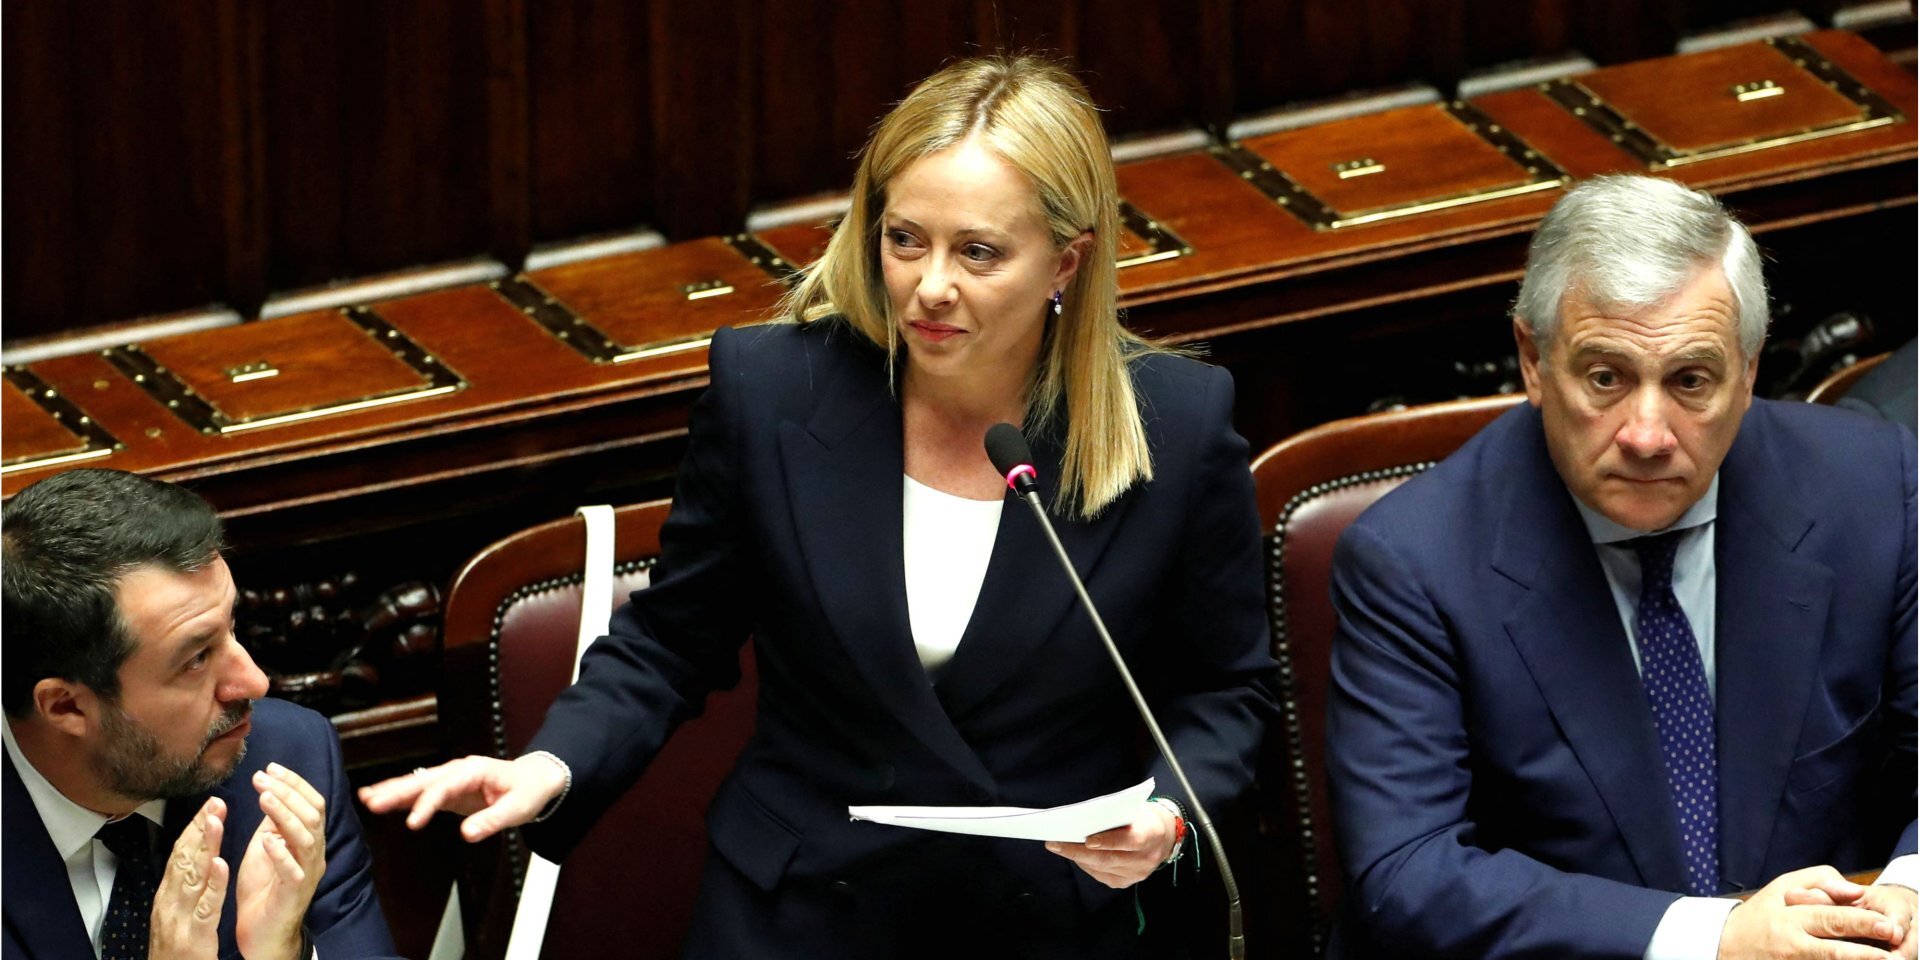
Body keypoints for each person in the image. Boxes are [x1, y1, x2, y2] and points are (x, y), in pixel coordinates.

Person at [361, 55, 1275, 957]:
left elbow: (1227, 688)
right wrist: (551, 763)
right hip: (801, 912)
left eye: (979, 252)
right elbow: (672, 641)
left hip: (1047, 918)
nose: (931, 285)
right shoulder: (774, 392)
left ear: (1065, 262)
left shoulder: (1175, 427)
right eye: (905, 239)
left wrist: (1168, 815)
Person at [1325, 173, 1917, 960]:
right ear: (1533, 361)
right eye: (1605, 378)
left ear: (1748, 372)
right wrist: (1718, 938)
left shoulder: (1874, 487)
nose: (1646, 434)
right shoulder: (1413, 560)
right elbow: (1409, 872)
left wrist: (1908, 896)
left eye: (1690, 381)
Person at [2, 468, 400, 960]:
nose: (255, 682)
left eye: (231, 626)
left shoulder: (286, 759)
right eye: (195, 659)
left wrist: (282, 954)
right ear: (66, 707)